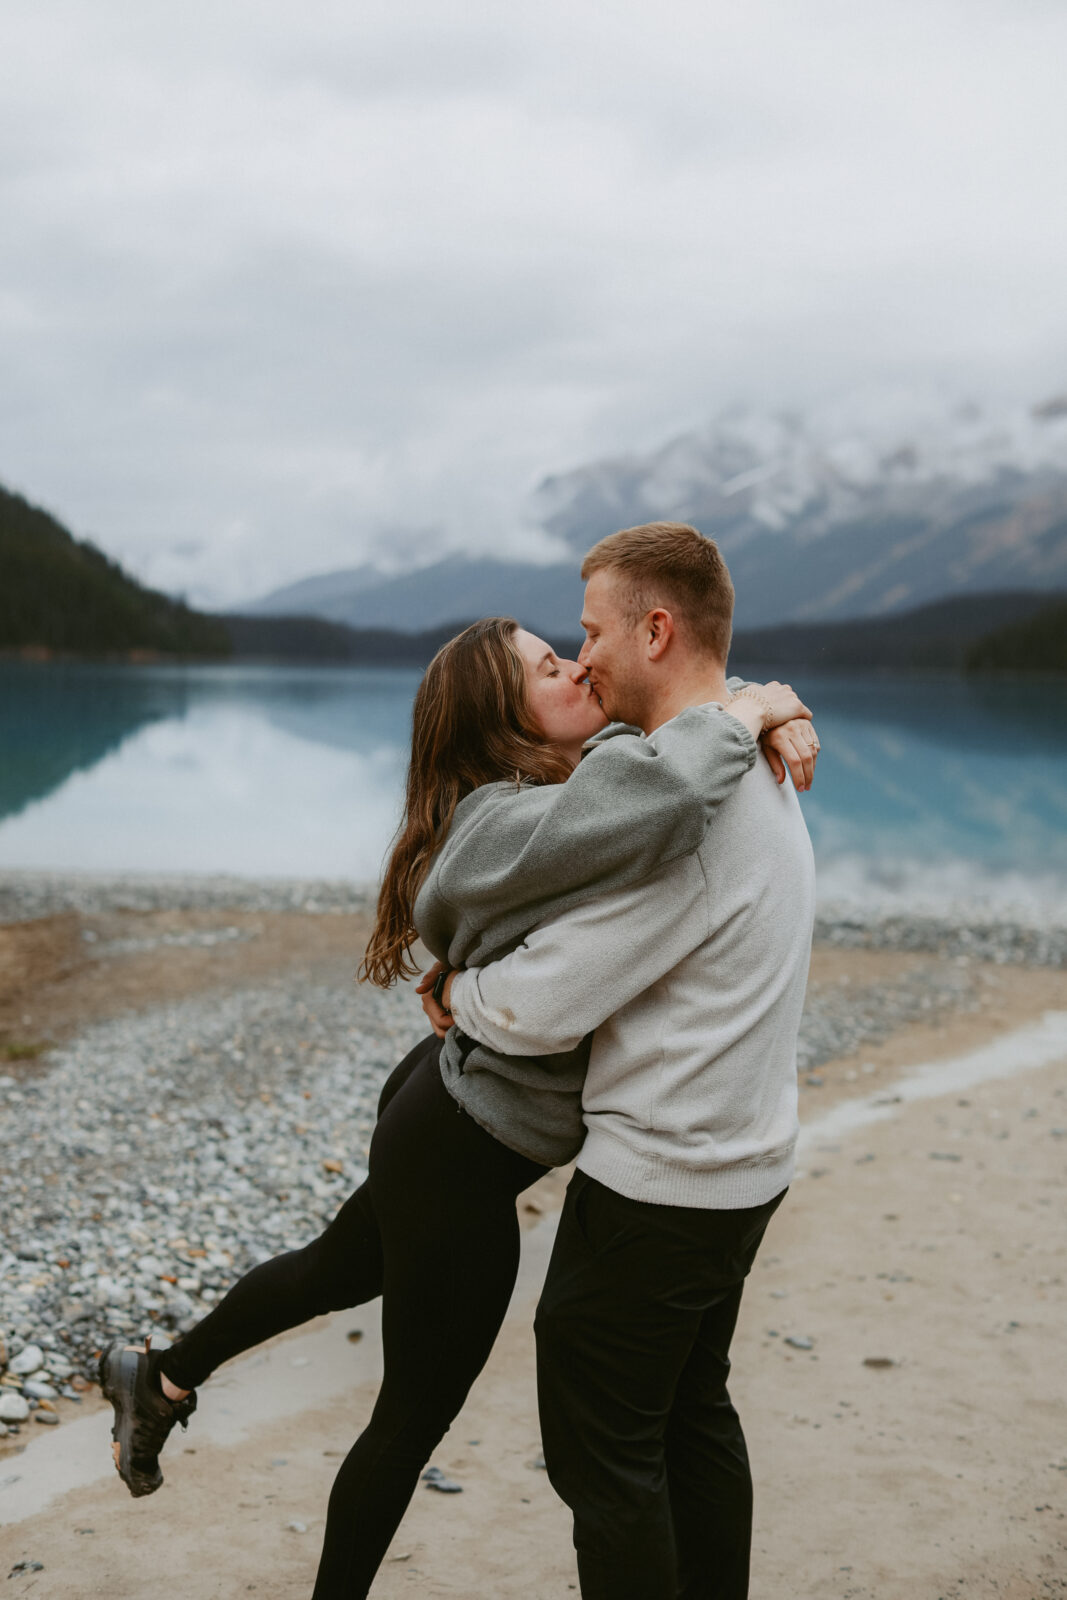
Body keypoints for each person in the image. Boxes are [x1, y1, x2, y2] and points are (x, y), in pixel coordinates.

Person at [99, 603, 817, 1598]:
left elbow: (668, 734)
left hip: (442, 1101)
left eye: (570, 652)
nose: (576, 670)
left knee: (332, 1268)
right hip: (460, 1144)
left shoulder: (584, 773)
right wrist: (749, 714)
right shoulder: (506, 814)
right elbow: (659, 788)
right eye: (547, 667)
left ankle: (163, 1377)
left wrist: (762, 700)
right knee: (409, 1417)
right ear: (500, 717)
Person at [427, 522, 817, 1600]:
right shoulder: (741, 762)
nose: (582, 654)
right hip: (742, 1163)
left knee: (604, 1463)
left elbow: (542, 1005)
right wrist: (766, 701)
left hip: (661, 1185)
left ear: (655, 628)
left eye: (592, 632)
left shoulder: (688, 810)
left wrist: (456, 991)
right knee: (693, 1418)